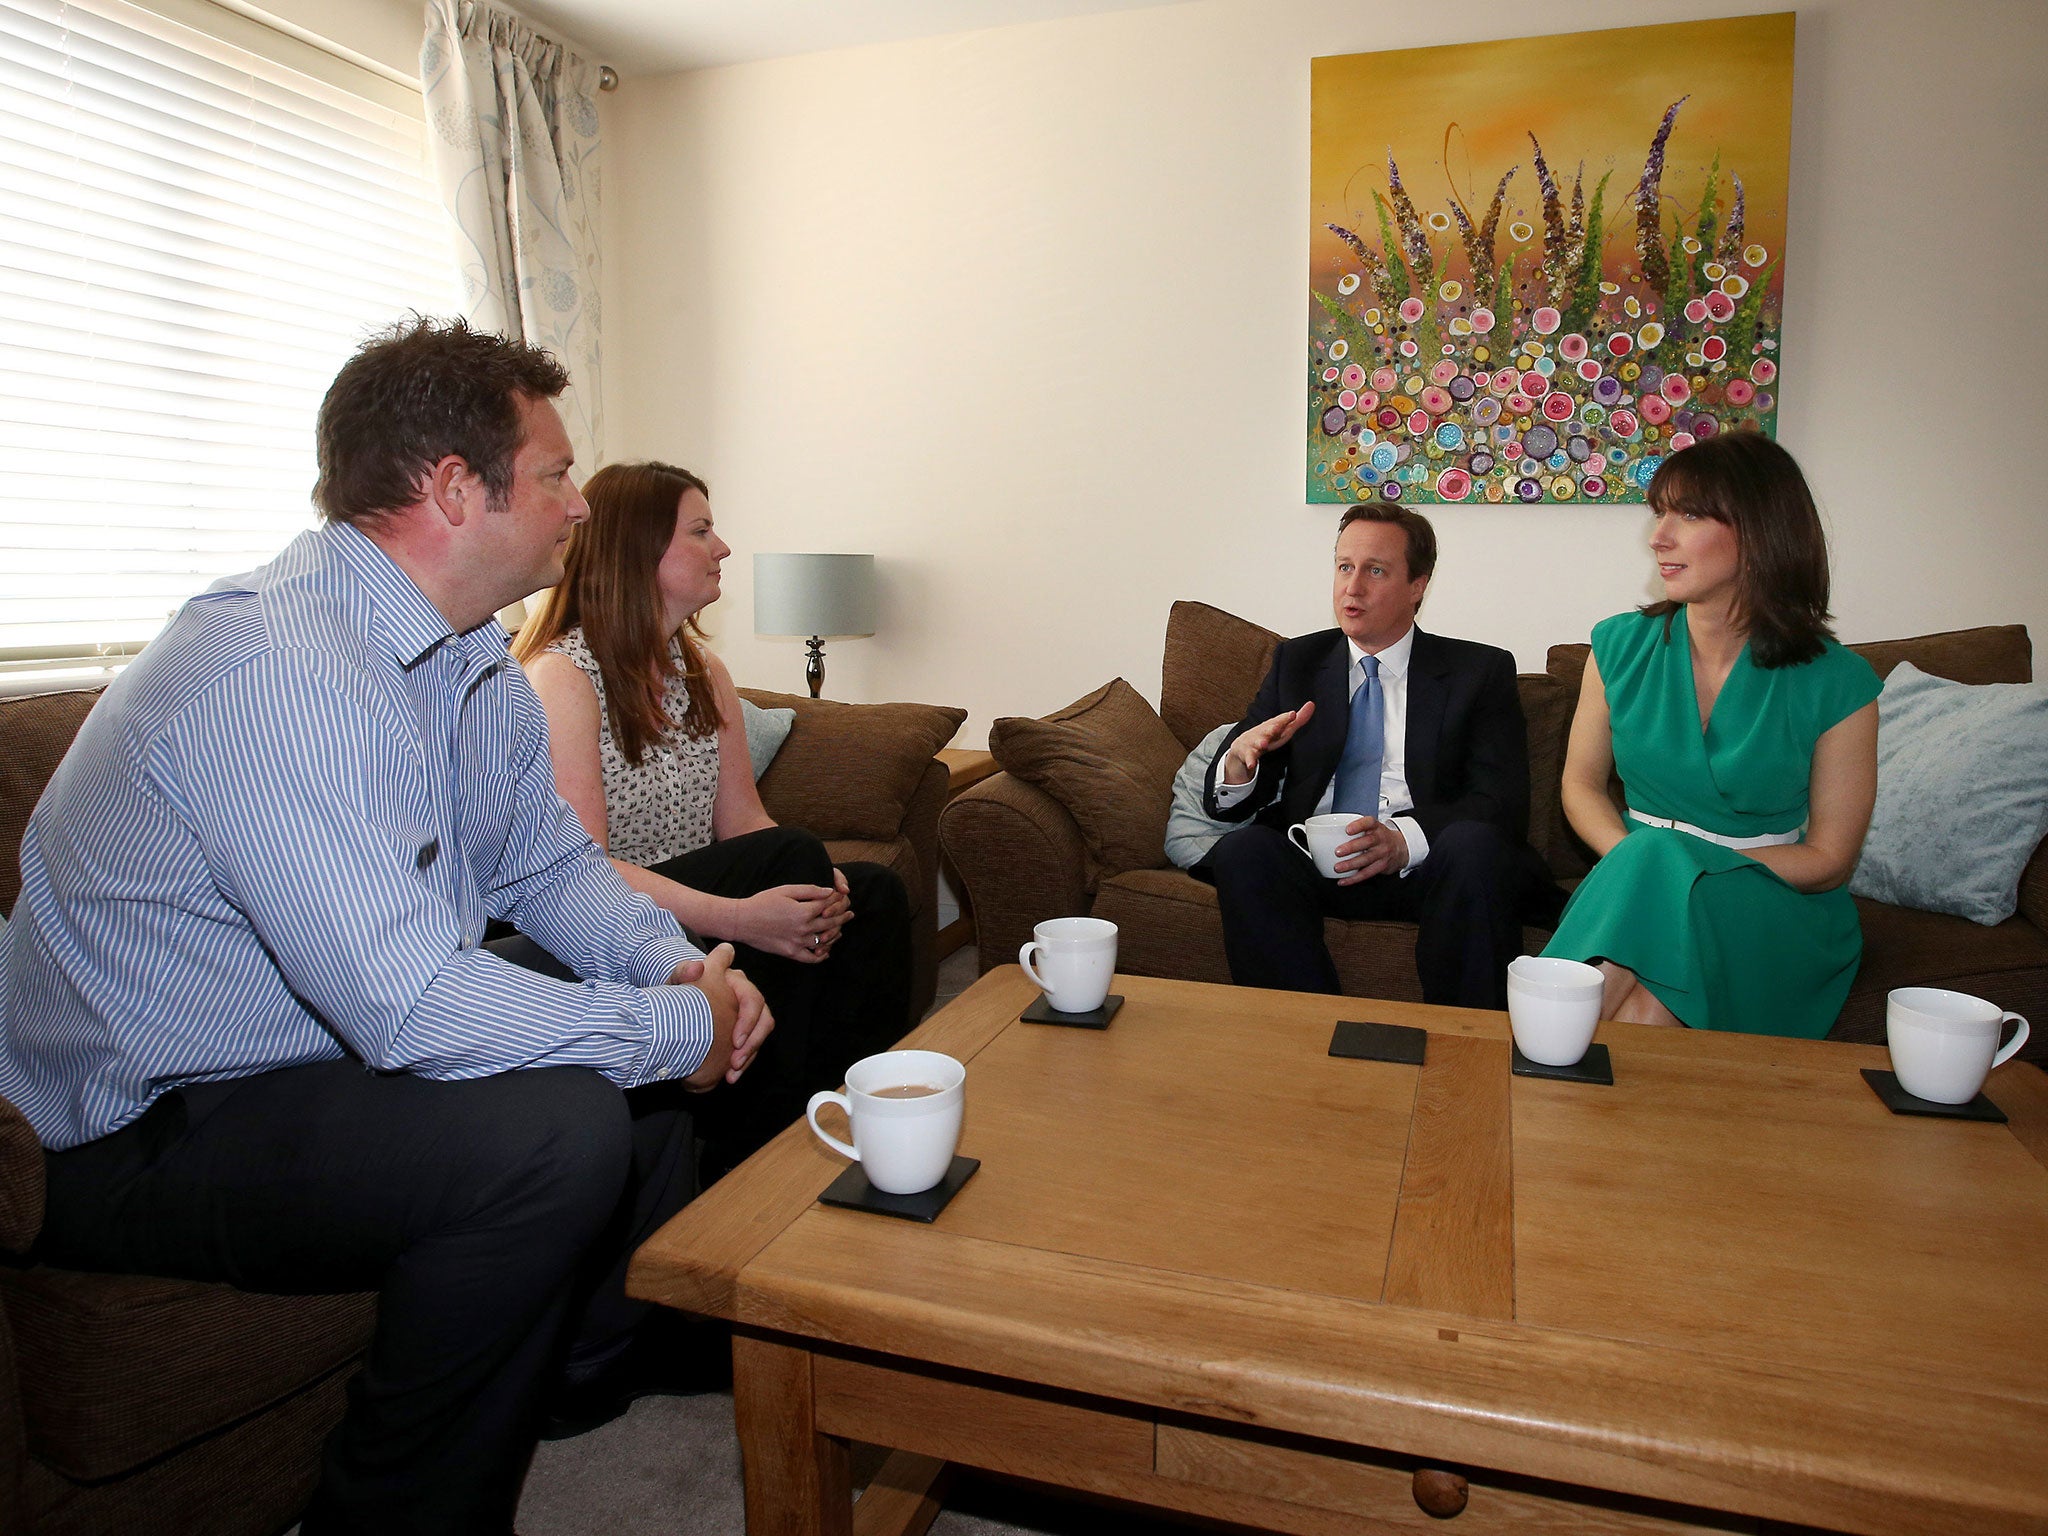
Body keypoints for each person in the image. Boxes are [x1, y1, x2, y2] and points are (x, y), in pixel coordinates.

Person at [0, 318, 770, 1534]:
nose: (577, 507)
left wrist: (674, 964)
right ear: (453, 488)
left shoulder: (467, 662)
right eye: (557, 473)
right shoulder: (278, 665)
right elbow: (406, 1000)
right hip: (129, 1124)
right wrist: (667, 1027)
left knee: (607, 1062)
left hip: (298, 1054)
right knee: (556, 1121)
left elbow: (548, 867)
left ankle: (588, 1369)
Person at [513, 460, 912, 1169]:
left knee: (872, 894)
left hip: (692, 892)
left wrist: (823, 884)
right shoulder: (563, 677)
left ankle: (843, 1107)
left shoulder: (703, 672)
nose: (722, 547)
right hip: (610, 917)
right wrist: (740, 915)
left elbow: (745, 822)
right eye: (701, 531)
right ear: (639, 551)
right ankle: (753, 1150)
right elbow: (582, 872)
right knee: (791, 860)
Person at [1542, 432, 1881, 1034]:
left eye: (1689, 514)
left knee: (1626, 1012)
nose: (1658, 537)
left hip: (1767, 901)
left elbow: (1829, 859)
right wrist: (1650, 869)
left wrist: (1679, 870)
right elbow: (1579, 786)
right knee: (1643, 1015)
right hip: (1637, 882)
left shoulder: (1840, 683)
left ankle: (1532, 1054)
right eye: (1660, 513)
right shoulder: (1616, 647)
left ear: (1758, 531)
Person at [1202, 504, 1559, 1008]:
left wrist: (1400, 841)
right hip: (1318, 861)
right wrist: (1239, 765)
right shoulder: (1297, 662)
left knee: (1475, 848)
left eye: (1375, 570)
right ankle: (1305, 1033)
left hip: (1428, 867)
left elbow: (1501, 803)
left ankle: (1465, 1044)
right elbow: (1234, 796)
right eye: (1344, 567)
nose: (1352, 587)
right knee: (1245, 852)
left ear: (1418, 585)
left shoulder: (1477, 671)